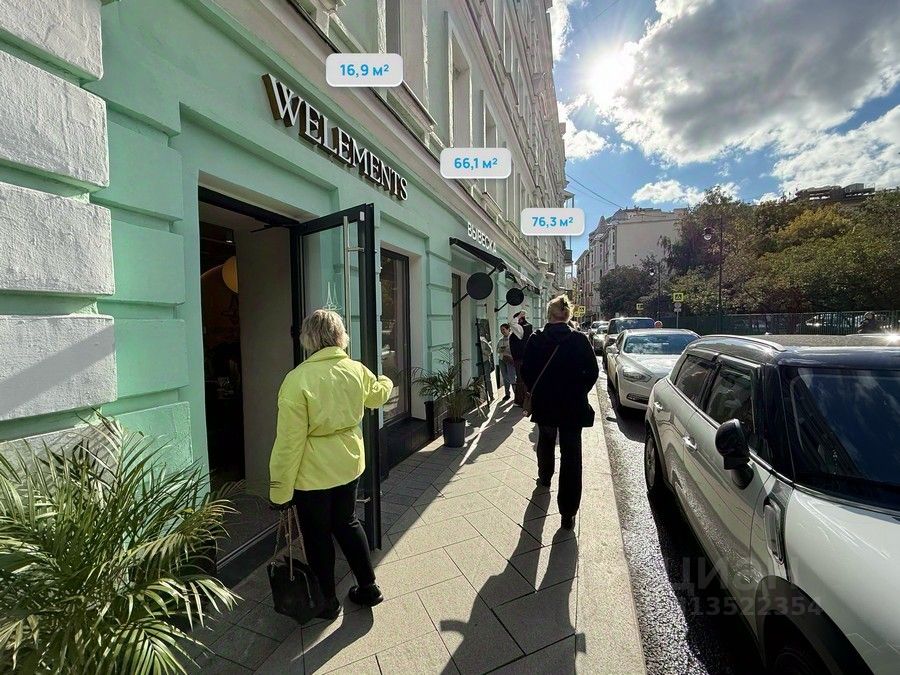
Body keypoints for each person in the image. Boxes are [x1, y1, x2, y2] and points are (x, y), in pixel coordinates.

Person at [269, 309, 393, 620]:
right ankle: (369, 587)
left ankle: (328, 602)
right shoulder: (355, 369)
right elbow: (377, 396)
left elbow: (288, 443)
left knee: (317, 535)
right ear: (340, 335)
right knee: (347, 522)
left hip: (313, 474)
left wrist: (280, 491)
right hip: (349, 463)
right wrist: (386, 380)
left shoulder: (297, 380)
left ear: (307, 339)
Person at [521, 295, 599, 530]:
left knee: (545, 441)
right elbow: (592, 371)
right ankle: (568, 513)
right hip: (573, 406)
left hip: (545, 404)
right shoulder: (579, 339)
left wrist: (538, 391)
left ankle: (545, 477)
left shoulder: (537, 339)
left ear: (549, 314)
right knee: (572, 456)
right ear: (568, 315)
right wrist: (579, 391)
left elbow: (526, 371)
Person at [509, 310, 533, 406]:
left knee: (520, 379)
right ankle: (523, 400)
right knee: (523, 379)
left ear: (520, 319)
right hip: (527, 357)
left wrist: (518, 316)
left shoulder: (520, 329)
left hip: (520, 358)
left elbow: (512, 323)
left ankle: (521, 401)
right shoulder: (528, 327)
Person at [497, 323, 517, 401]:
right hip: (502, 360)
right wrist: (501, 349)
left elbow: (516, 350)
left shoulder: (513, 338)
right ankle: (507, 394)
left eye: (503, 329)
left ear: (508, 329)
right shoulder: (500, 340)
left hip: (510, 360)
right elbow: (497, 350)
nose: (502, 331)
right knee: (505, 377)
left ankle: (516, 395)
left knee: (512, 377)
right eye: (501, 330)